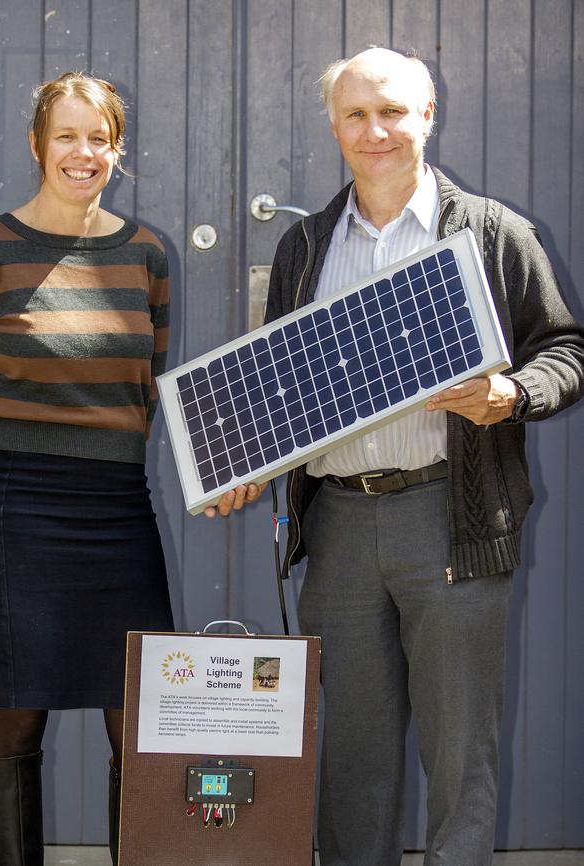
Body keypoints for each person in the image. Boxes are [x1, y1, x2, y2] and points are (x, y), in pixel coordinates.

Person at [211, 48, 584, 865]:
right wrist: (244, 456)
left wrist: (512, 396)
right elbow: (283, 383)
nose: (374, 130)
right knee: (352, 750)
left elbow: (565, 349)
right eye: (355, 114)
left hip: (450, 516)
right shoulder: (307, 246)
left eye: (391, 112)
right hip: (338, 523)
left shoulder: (492, 231)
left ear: (427, 115)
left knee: (460, 750)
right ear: (335, 126)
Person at [0, 71, 174, 865]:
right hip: (17, 510)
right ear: (38, 145)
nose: (83, 153)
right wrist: (4, 474)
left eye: (98, 138)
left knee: (135, 709)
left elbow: (150, 378)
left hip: (117, 506)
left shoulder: (147, 253)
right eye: (65, 136)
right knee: (15, 709)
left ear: (117, 149)